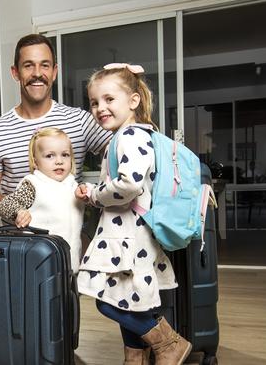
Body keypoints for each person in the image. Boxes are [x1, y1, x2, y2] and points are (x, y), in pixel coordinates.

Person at [75, 63, 192, 365]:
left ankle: (169, 344)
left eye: (109, 99)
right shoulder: (135, 135)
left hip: (128, 234)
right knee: (131, 301)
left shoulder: (130, 136)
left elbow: (129, 185)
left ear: (134, 100)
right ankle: (134, 358)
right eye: (94, 102)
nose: (100, 108)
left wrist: (94, 194)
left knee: (106, 299)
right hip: (132, 233)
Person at [0, 33, 111, 212]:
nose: (37, 74)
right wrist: (16, 210)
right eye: (28, 66)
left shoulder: (80, 121)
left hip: (69, 237)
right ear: (15, 72)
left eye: (45, 65)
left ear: (54, 72)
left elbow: (119, 151)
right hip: (20, 238)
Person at [0, 127, 84, 272]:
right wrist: (19, 212)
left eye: (65, 155)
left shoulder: (73, 186)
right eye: (50, 156)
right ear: (35, 162)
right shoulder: (34, 184)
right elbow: (4, 204)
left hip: (70, 264)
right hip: (38, 264)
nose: (59, 161)